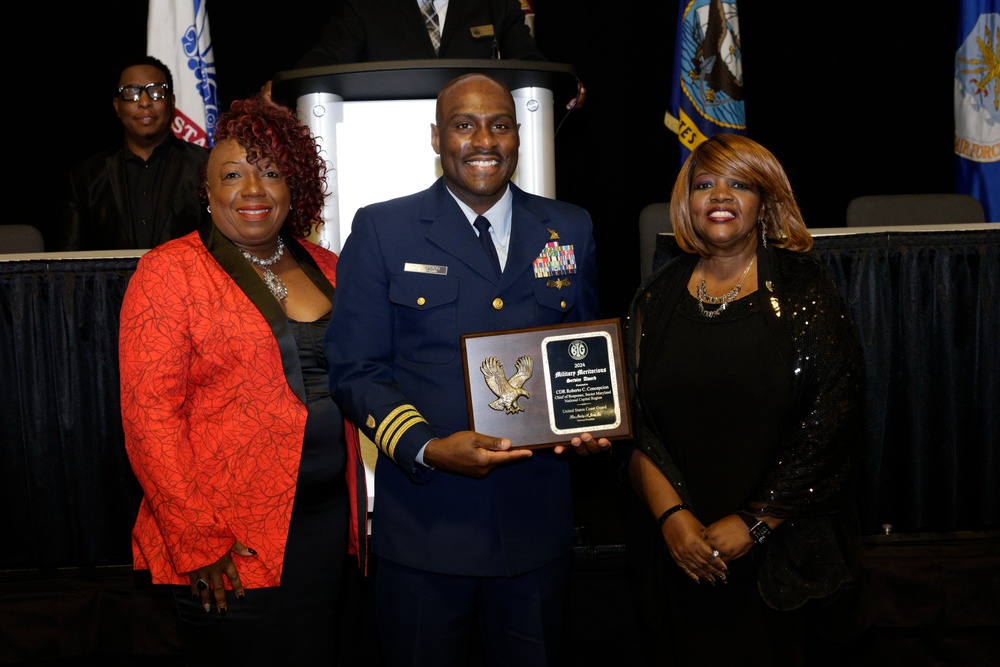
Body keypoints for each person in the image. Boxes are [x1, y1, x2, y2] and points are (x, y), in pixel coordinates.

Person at [324, 72, 608, 666]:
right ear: (436, 137)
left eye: (499, 125)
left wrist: (590, 422)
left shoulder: (569, 227)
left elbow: (580, 353)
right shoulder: (383, 230)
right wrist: (427, 447)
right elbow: (356, 370)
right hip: (429, 530)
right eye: (464, 125)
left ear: (518, 136)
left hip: (536, 530)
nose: (484, 139)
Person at [118, 95, 367, 666]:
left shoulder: (328, 266)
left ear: (294, 186)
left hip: (327, 527)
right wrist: (197, 541)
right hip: (229, 541)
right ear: (207, 191)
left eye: (272, 172)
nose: (253, 189)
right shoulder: (168, 272)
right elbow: (147, 418)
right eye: (232, 174)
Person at [622, 133, 871, 666]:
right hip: (678, 554)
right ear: (686, 202)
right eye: (705, 184)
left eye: (739, 184)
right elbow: (636, 426)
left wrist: (757, 522)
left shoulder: (808, 293)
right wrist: (672, 518)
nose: (720, 196)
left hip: (783, 553)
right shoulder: (654, 298)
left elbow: (834, 424)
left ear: (766, 202)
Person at [261, 0, 586, 110]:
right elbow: (327, 58)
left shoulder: (494, 3)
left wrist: (561, 86)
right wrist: (286, 88)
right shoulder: (364, 6)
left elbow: (527, 59)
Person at [50, 55, 209, 251]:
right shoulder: (86, 177)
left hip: (187, 281)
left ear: (172, 101)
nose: (144, 102)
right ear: (117, 106)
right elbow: (68, 262)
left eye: (156, 92)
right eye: (132, 92)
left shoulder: (206, 166)